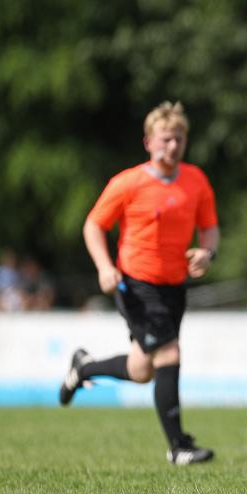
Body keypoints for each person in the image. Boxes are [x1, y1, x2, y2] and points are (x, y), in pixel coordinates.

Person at [59, 101, 219, 465]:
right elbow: (93, 225)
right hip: (136, 283)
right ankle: (179, 446)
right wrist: (104, 267)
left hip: (173, 285)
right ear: (148, 142)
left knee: (141, 370)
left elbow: (209, 228)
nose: (173, 146)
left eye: (178, 139)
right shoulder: (128, 182)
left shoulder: (195, 180)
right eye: (165, 139)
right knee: (169, 353)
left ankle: (82, 369)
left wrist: (207, 253)